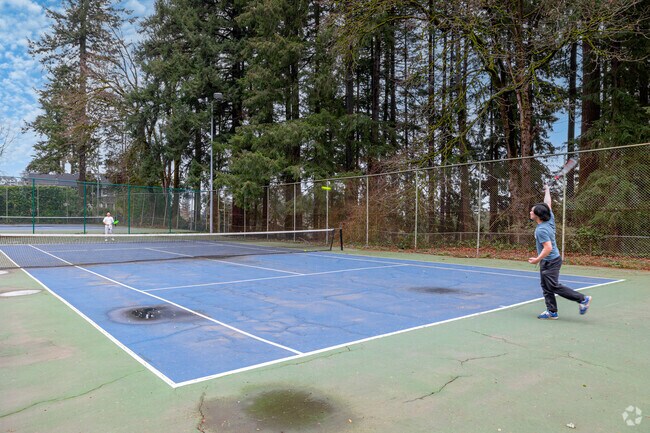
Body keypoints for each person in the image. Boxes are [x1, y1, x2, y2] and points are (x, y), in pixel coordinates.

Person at [528, 185, 591, 319]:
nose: (530, 212)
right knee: (546, 286)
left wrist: (537, 260)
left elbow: (548, 248)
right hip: (549, 260)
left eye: (532, 211)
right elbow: (547, 204)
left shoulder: (541, 230)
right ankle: (552, 311)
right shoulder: (549, 218)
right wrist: (547, 190)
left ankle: (583, 299)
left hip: (550, 261)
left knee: (553, 286)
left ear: (538, 215)